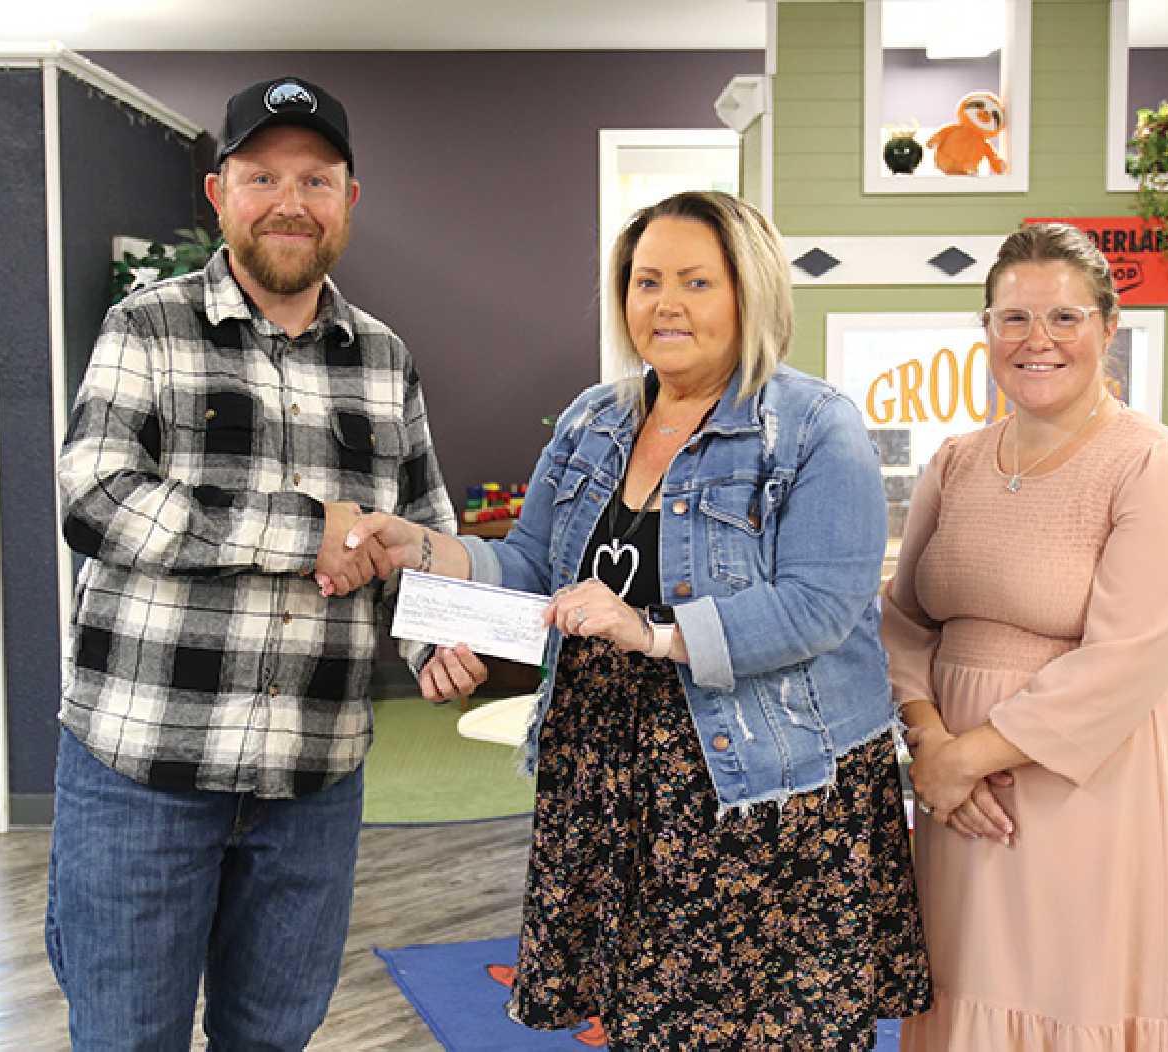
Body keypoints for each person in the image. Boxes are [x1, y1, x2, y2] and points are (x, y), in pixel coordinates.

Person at [343, 191, 930, 1048]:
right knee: (642, 1024)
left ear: (751, 293)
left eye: (697, 281)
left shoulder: (812, 427)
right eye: (647, 280)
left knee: (765, 1032)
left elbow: (819, 607)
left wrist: (651, 633)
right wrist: (422, 551)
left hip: (759, 786)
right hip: (610, 775)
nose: (667, 304)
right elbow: (532, 566)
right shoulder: (594, 420)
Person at [47, 76, 456, 1050]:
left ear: (348, 200)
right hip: (143, 771)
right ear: (218, 191)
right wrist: (303, 531)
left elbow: (423, 526)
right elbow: (94, 499)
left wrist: (441, 624)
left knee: (273, 1037)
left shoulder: (384, 359)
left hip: (311, 783)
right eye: (262, 174)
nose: (289, 200)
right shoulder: (147, 327)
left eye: (315, 179)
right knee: (124, 1036)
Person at [883, 222, 1168, 1051]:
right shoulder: (955, 461)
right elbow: (901, 615)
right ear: (987, 331)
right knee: (966, 979)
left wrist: (968, 758)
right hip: (956, 789)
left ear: (1108, 329)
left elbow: (1130, 656)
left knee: (1070, 986)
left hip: (1084, 780)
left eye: (1065, 318)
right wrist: (931, 741)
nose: (1037, 341)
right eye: (1012, 318)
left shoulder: (1158, 465)